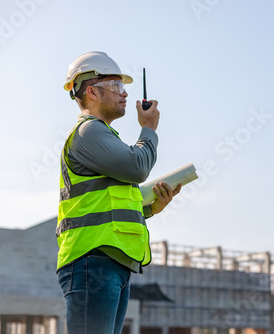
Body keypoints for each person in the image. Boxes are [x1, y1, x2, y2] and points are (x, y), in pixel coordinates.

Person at [56, 51, 181, 334]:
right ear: (92, 91)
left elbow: (109, 206)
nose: (124, 94)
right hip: (93, 261)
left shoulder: (105, 139)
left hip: (110, 262)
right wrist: (148, 129)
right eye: (116, 86)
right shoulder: (88, 132)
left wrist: (149, 208)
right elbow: (138, 167)